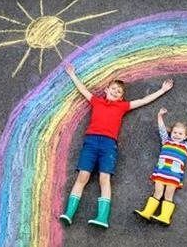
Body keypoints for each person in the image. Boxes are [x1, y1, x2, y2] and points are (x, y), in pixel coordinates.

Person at [59, 64, 173, 228]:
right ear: (106, 90)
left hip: (108, 145)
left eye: (119, 92)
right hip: (90, 143)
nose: (115, 92)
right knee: (82, 177)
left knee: (104, 179)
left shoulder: (122, 106)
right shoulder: (96, 101)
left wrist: (162, 90)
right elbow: (83, 90)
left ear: (121, 98)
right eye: (113, 89)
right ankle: (69, 213)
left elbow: (143, 101)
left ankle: (102, 218)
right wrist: (72, 74)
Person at [135, 107, 187, 225]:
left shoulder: (186, 146)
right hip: (161, 173)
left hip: (173, 175)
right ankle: (147, 212)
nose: (177, 135)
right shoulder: (166, 141)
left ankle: (165, 216)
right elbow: (162, 129)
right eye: (175, 132)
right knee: (157, 193)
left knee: (168, 195)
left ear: (186, 136)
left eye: (180, 133)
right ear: (171, 133)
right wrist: (159, 116)